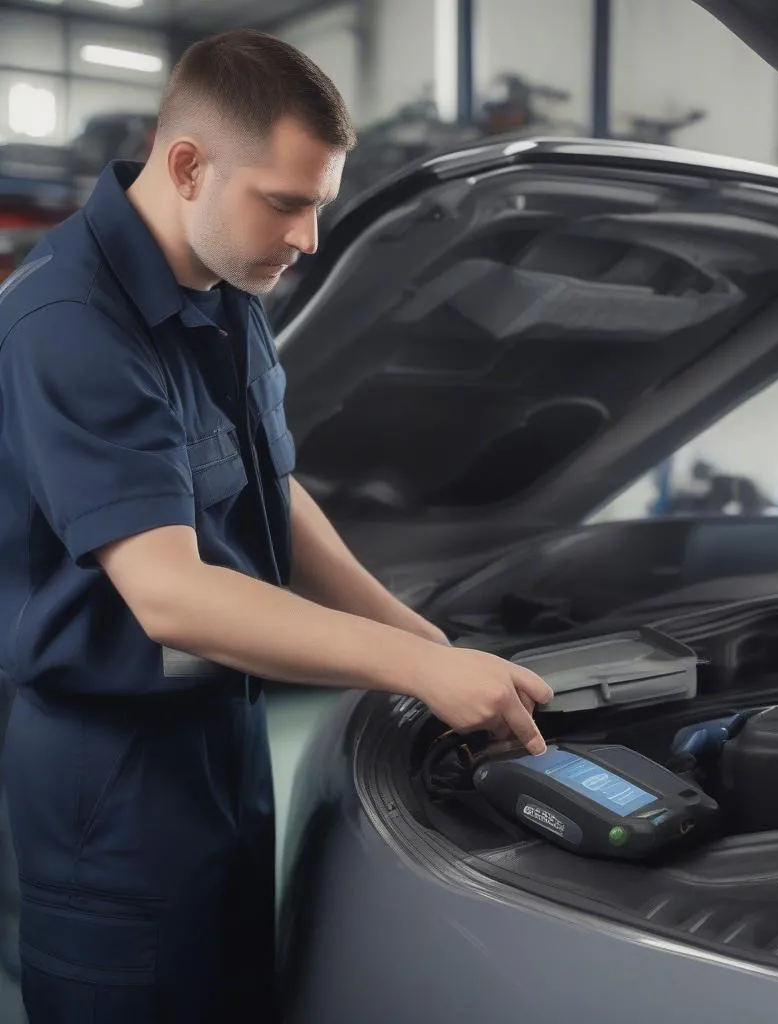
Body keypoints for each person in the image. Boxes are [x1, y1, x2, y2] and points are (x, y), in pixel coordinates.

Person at [0, 28, 552, 1024]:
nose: (305, 240)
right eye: (286, 202)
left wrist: (421, 638)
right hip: (109, 771)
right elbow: (168, 593)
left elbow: (268, 489)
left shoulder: (224, 284)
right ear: (186, 166)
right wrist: (413, 671)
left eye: (319, 206)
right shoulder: (66, 323)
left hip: (223, 732)